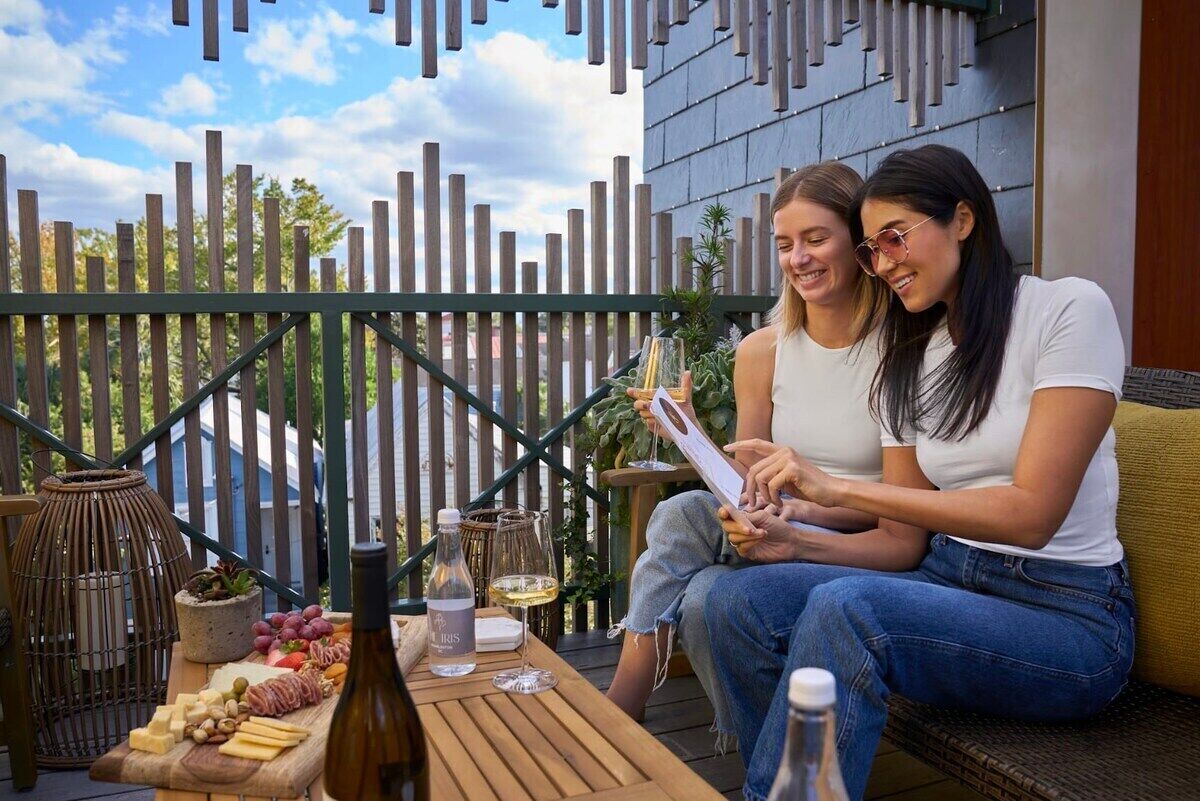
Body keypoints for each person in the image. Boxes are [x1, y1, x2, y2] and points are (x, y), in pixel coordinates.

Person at [707, 144, 1134, 801]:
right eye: (872, 249)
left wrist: (835, 486)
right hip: (945, 577)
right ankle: (796, 785)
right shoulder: (910, 355)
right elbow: (900, 540)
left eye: (895, 237)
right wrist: (795, 541)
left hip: (1067, 614)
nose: (883, 264)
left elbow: (1032, 514)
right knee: (736, 603)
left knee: (848, 610)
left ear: (962, 219)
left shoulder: (1067, 311)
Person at [604, 161, 891, 730]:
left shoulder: (902, 350)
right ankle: (628, 709)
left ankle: (623, 711)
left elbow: (903, 511)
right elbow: (744, 483)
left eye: (815, 239)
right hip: (775, 518)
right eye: (785, 244)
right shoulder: (763, 350)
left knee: (704, 594)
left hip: (855, 536)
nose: (798, 258)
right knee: (683, 513)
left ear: (858, 241)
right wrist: (688, 431)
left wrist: (807, 511)